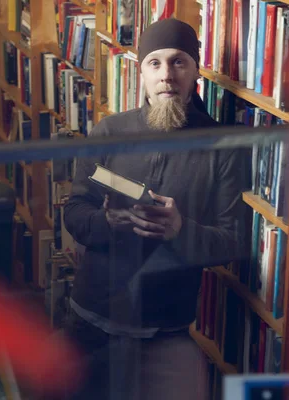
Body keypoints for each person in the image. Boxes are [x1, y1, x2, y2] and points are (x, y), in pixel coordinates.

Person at [61, 17, 250, 400]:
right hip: (91, 321)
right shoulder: (109, 133)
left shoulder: (224, 146)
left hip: (167, 331)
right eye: (155, 63)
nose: (167, 75)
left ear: (196, 70)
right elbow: (75, 211)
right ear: (142, 73)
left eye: (179, 61)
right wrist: (106, 221)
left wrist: (182, 230)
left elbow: (234, 241)